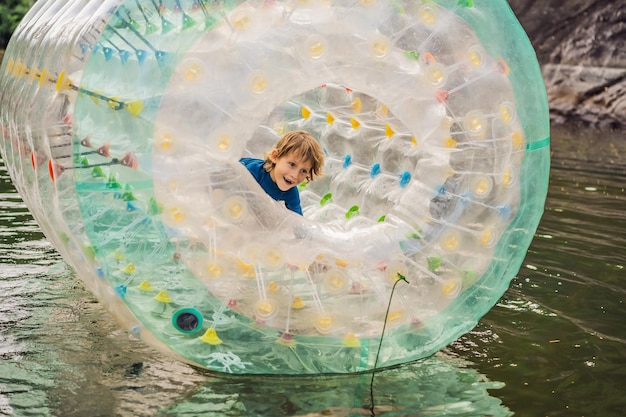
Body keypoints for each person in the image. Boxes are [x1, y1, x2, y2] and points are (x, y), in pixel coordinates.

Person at [239, 130, 324, 215]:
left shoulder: (291, 192)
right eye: (292, 164)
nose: (295, 175)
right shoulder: (252, 172)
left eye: (303, 171)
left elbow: (298, 217)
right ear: (275, 156)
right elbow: (230, 186)